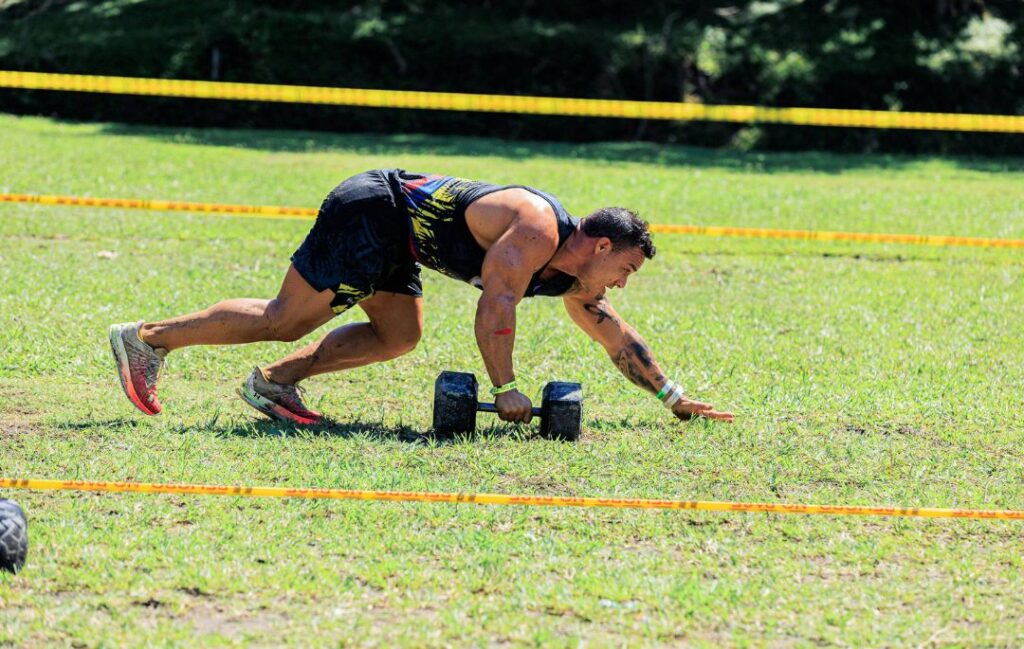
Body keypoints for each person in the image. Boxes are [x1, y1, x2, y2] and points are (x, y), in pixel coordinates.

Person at [109, 169, 733, 427]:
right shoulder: (537, 230)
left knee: (398, 336)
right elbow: (495, 310)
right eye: (624, 268)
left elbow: (613, 335)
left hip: (402, 245)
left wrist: (672, 398)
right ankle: (147, 338)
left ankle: (274, 383)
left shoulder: (575, 277)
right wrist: (504, 389)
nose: (621, 284)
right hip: (374, 211)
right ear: (599, 247)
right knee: (284, 319)